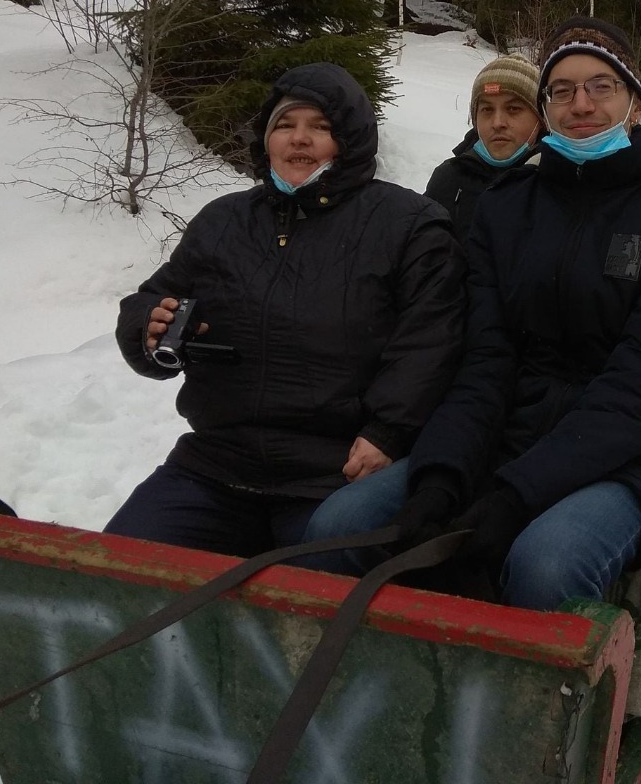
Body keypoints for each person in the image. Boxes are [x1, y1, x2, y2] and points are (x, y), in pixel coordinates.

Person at [304, 17, 641, 610]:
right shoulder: (506, 207)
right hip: (504, 435)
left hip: (625, 454)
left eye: (601, 86)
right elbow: (484, 357)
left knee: (545, 567)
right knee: (339, 525)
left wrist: (516, 496)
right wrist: (441, 476)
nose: (582, 104)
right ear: (547, 108)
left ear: (634, 102)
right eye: (562, 90)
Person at [105, 62, 466, 560]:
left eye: (321, 126)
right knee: (116, 568)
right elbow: (151, 298)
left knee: (309, 597)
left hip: (337, 473)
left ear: (351, 139)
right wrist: (148, 326)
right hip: (217, 465)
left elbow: (431, 341)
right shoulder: (224, 221)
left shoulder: (408, 224)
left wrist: (389, 431)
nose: (299, 139)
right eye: (285, 125)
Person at [424, 53, 542, 241]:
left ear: (540, 119)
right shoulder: (448, 178)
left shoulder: (559, 182)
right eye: (487, 109)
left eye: (513, 109)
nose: (497, 123)